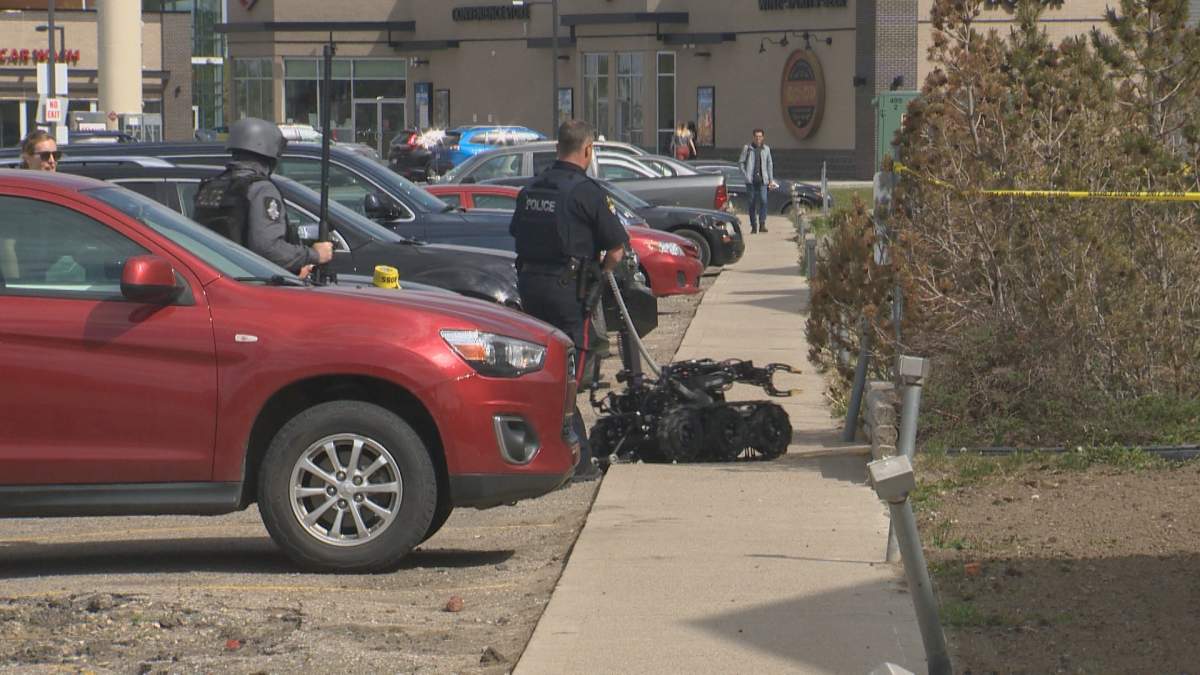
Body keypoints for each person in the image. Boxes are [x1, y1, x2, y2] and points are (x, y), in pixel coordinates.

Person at [509, 119, 629, 482]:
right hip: (568, 295)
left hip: (530, 290)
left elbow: (517, 235)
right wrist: (598, 275)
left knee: (539, 371)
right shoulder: (586, 192)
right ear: (588, 149)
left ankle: (546, 452)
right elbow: (617, 249)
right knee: (568, 380)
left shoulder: (531, 189)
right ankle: (578, 462)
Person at [193, 117, 332, 277]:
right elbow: (267, 248)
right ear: (269, 154)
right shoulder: (261, 189)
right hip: (249, 287)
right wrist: (314, 254)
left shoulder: (212, 186)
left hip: (215, 280)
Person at [2, 130, 61, 280]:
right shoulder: (18, 196)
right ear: (27, 158)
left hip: (56, 276)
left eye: (56, 155)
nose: (52, 161)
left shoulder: (62, 192)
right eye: (45, 156)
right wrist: (15, 285)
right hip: (28, 282)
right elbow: (7, 248)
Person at [739, 128, 778, 233]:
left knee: (764, 200)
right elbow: (741, 162)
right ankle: (753, 225)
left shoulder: (766, 149)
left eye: (760, 136)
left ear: (763, 137)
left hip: (763, 181)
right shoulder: (748, 148)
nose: (758, 139)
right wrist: (745, 175)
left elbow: (770, 164)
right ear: (753, 137)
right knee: (751, 203)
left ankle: (762, 223)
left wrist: (770, 180)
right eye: (756, 137)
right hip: (751, 181)